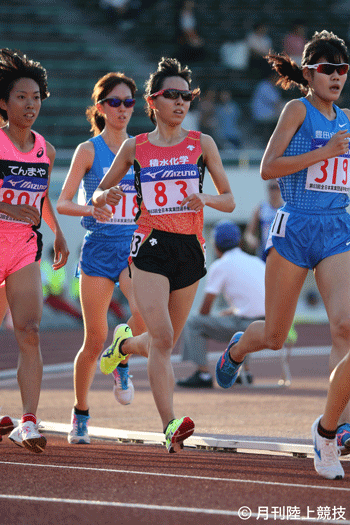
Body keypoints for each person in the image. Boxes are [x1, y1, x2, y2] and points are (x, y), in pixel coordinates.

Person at [215, 30, 350, 480]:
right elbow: (268, 168)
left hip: (336, 229)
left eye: (343, 68)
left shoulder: (347, 119)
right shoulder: (298, 109)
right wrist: (322, 153)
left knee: (345, 328)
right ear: (310, 72)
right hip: (294, 228)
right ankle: (238, 350)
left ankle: (334, 427)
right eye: (328, 68)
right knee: (275, 335)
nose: (336, 76)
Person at [92, 57, 235, 453]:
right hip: (150, 246)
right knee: (164, 336)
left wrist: (204, 196)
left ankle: (121, 347)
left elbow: (229, 198)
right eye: (171, 95)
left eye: (186, 96)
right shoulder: (135, 146)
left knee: (162, 344)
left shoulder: (202, 144)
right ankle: (169, 424)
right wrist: (107, 196)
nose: (180, 102)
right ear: (153, 101)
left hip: (189, 249)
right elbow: (98, 193)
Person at [57, 72, 146, 444]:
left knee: (143, 321)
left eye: (128, 102)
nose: (123, 109)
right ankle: (80, 413)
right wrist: (91, 209)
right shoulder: (88, 151)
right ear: (100, 107)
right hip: (97, 249)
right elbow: (63, 202)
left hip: (132, 249)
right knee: (94, 339)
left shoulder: (141, 148)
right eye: (115, 102)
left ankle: (121, 356)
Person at [0, 48, 69, 453]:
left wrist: (58, 232)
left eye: (36, 97)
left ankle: (27, 421)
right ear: (4, 103)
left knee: (30, 331)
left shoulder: (46, 149)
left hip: (24, 248)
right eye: (22, 97)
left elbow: (41, 199)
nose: (31, 104)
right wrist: (7, 207)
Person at [177, 220, 265, 388]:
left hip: (245, 326)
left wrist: (212, 316)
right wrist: (233, 310)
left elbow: (205, 308)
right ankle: (245, 371)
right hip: (268, 325)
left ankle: (202, 374)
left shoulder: (220, 265)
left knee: (194, 322)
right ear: (239, 242)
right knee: (243, 321)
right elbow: (256, 301)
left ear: (215, 246)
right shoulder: (256, 262)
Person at [244, 180, 284, 261]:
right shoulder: (261, 209)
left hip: (282, 251)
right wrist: (252, 240)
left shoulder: (285, 210)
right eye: (271, 188)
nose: (274, 191)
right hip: (264, 251)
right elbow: (248, 233)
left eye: (276, 188)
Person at [41, 245, 83, 322]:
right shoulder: (45, 266)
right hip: (47, 297)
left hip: (59, 296)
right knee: (64, 306)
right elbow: (46, 285)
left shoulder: (60, 266)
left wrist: (61, 294)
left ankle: (79, 317)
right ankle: (79, 317)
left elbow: (64, 284)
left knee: (66, 305)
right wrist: (57, 295)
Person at [250, 63, 285, 146]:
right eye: (277, 77)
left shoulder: (272, 87)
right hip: (262, 116)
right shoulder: (264, 86)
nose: (278, 79)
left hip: (269, 114)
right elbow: (277, 103)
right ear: (272, 76)